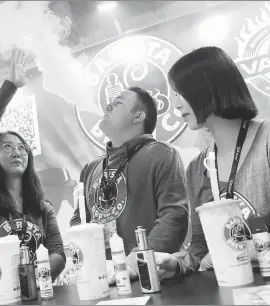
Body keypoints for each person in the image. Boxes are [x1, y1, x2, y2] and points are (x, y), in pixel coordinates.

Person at [154, 46, 270, 280]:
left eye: (180, 92)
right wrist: (178, 263)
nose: (176, 105)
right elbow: (201, 249)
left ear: (207, 88)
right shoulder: (196, 168)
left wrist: (228, 252)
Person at [0, 49, 66, 292]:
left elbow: (58, 252)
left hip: (33, 296)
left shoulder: (42, 207)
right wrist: (10, 87)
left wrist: (35, 276)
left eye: (22, 148)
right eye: (7, 147)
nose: (16, 152)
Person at [69, 86, 189, 281]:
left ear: (139, 116)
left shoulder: (162, 154)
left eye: (118, 103)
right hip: (102, 279)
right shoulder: (91, 168)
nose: (107, 107)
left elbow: (173, 217)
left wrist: (135, 263)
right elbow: (79, 219)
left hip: (151, 277)